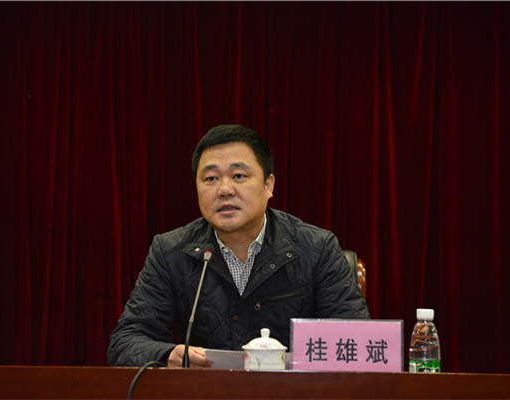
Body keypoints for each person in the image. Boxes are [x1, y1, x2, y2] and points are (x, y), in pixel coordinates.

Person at [107, 124, 370, 367]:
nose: (224, 190)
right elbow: (126, 343)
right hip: (206, 393)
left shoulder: (318, 249)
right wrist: (167, 355)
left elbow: (356, 344)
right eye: (211, 179)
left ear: (268, 185)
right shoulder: (170, 252)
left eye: (239, 175)